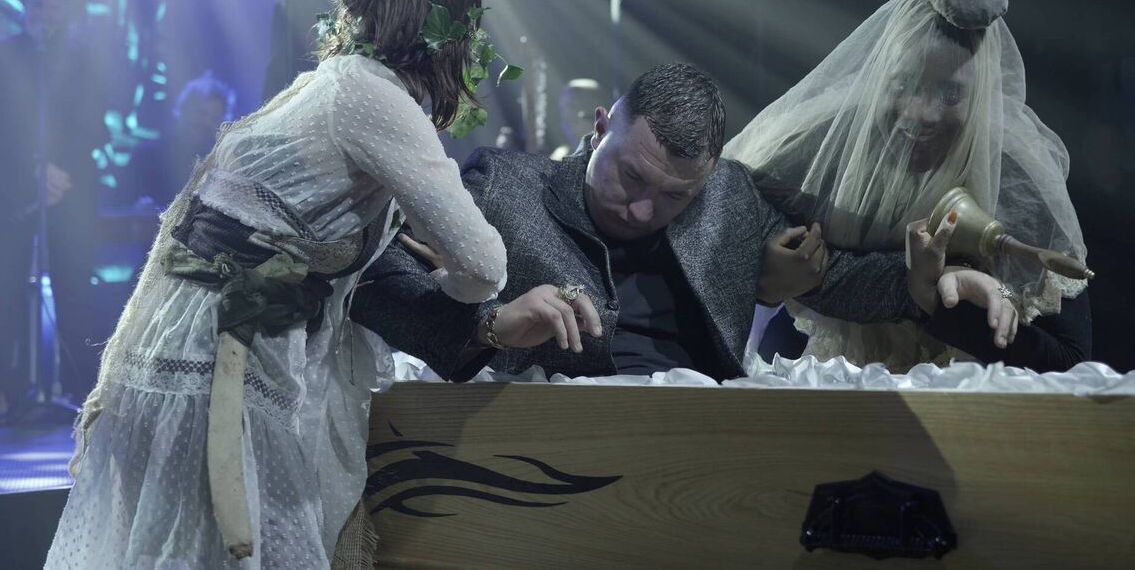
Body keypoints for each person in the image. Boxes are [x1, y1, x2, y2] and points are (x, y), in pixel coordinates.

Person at [44, 0, 506, 568]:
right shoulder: (372, 98)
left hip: (189, 335)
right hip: (225, 354)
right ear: (453, 27)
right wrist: (448, 290)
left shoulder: (328, 80)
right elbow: (485, 265)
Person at [351, 62, 1010, 382]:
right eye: (630, 177)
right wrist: (490, 322)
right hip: (546, 451)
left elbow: (832, 278)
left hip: (699, 437)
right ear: (600, 127)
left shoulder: (728, 196)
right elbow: (378, 287)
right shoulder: (501, 188)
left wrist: (924, 284)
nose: (641, 209)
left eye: (673, 197)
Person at [724, 0, 1090, 372]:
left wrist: (948, 306)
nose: (923, 114)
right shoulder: (822, 149)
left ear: (980, 92)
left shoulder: (1013, 176)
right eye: (903, 86)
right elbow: (726, 193)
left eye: (951, 95)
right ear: (880, 75)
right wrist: (761, 275)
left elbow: (1071, 359)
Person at [0, 0, 108, 420]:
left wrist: (59, 171)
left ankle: (79, 391)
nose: (44, 13)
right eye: (37, 4)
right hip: (11, 191)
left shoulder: (84, 60)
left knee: (74, 290)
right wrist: (33, 170)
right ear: (24, 6)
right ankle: (0, 390)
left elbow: (92, 124)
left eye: (54, 6)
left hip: (69, 190)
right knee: (3, 290)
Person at [122, 71, 236, 207]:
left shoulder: (223, 166)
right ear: (183, 109)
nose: (205, 122)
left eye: (214, 118)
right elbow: (117, 208)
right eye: (200, 113)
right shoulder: (145, 157)